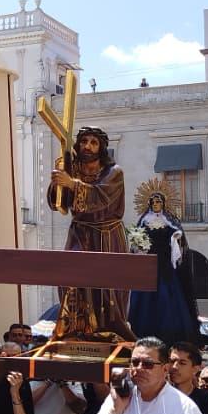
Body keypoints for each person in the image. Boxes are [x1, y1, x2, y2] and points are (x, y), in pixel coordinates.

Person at [46, 126, 135, 339]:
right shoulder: (73, 170)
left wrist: (72, 183)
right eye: (84, 141)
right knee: (69, 277)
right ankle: (74, 329)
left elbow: (100, 196)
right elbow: (60, 205)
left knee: (106, 289)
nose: (88, 146)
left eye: (94, 142)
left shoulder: (114, 172)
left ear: (102, 147)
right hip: (80, 232)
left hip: (107, 235)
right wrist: (58, 182)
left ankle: (110, 331)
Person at [125, 186, 200, 343]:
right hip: (149, 264)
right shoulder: (144, 221)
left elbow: (176, 233)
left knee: (167, 297)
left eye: (158, 201)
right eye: (153, 202)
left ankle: (169, 333)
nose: (156, 204)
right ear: (150, 204)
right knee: (144, 298)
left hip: (164, 265)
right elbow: (136, 239)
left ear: (163, 204)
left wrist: (175, 236)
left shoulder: (168, 221)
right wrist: (139, 243)